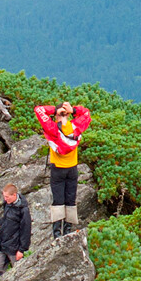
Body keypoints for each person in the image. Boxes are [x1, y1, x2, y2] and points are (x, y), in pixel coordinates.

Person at [34, 101, 91, 238]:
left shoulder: (52, 129)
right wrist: (73, 110)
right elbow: (87, 113)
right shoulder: (76, 128)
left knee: (58, 201)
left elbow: (39, 110)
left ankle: (57, 233)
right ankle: (68, 230)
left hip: (58, 169)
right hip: (72, 169)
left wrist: (54, 110)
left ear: (57, 116)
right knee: (70, 200)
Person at [0, 183, 32, 281]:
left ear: (14, 195)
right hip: (2, 243)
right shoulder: (7, 204)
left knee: (19, 275)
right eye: (4, 197)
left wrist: (21, 250)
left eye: (7, 197)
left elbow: (26, 230)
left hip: (14, 247)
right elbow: (4, 218)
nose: (5, 199)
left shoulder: (23, 210)